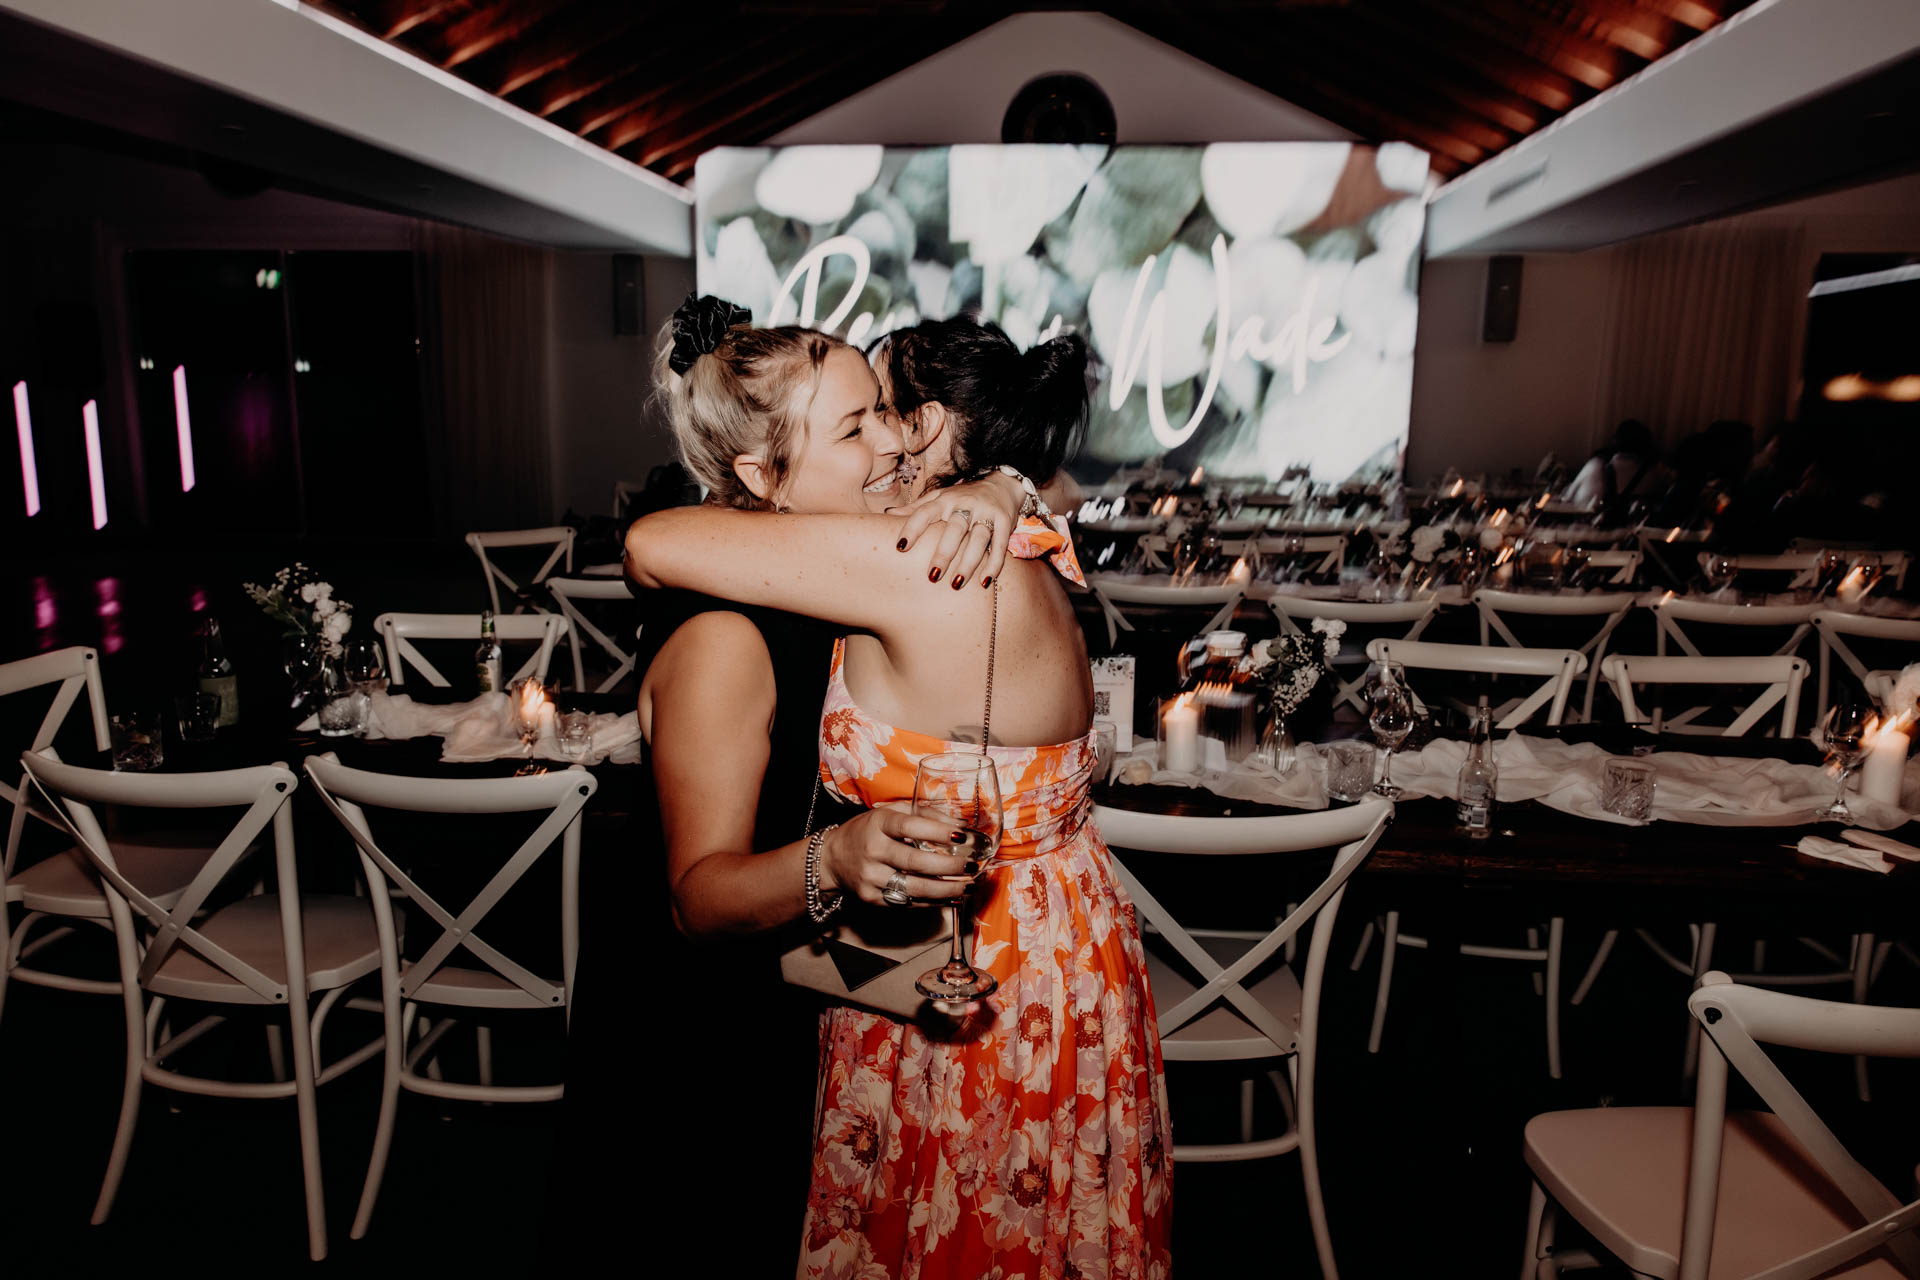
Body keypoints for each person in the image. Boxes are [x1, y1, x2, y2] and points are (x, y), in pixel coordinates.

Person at [626, 301, 1173, 1277]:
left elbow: (652, 542)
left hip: (971, 975)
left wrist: (1005, 483)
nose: (887, 437)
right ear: (761, 473)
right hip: (1050, 960)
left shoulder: (923, 554)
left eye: (890, 410)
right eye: (857, 420)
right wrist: (1011, 482)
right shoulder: (973, 541)